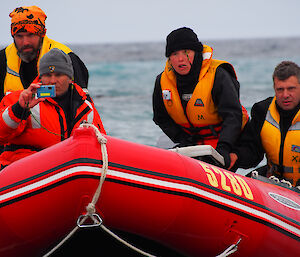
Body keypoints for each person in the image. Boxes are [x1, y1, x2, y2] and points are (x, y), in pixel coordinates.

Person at [152, 27, 248, 168]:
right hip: (191, 143)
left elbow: (233, 116)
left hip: (227, 142)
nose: (180, 59)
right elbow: (161, 118)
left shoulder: (218, 75)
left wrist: (224, 148)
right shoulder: (162, 81)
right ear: (169, 58)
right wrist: (183, 140)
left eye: (186, 52)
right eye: (174, 53)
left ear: (197, 53)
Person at [0, 48, 106, 169]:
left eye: (59, 75)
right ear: (40, 77)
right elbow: (1, 135)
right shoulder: (20, 99)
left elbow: (102, 144)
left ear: (70, 78)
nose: (53, 80)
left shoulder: (85, 107)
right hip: (22, 171)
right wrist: (19, 108)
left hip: (63, 171)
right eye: (47, 75)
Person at [229, 61, 300, 186]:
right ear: (274, 88)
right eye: (280, 89)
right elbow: (252, 151)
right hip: (274, 180)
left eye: (291, 89)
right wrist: (236, 156)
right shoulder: (262, 111)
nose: (285, 95)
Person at [0, 5, 89, 101]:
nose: (25, 42)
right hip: (13, 114)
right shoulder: (2, 58)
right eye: (19, 36)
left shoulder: (67, 58)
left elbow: (83, 103)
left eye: (31, 35)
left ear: (42, 34)